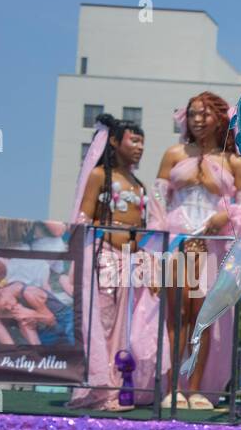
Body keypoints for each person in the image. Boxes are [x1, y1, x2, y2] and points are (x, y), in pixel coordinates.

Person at [154, 92, 241, 409]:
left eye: (205, 114)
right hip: (176, 243)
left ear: (220, 118)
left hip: (213, 246)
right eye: (193, 114)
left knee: (203, 317)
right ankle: (172, 386)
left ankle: (196, 389)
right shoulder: (173, 153)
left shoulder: (236, 162)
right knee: (177, 316)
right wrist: (156, 248)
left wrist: (227, 216)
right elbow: (158, 204)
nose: (198, 119)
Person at [68, 113, 169, 410]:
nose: (140, 147)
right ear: (114, 141)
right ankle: (99, 391)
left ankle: (119, 389)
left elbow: (145, 227)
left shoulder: (139, 184)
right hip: (104, 257)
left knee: (125, 329)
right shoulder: (100, 176)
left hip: (130, 261)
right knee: (102, 323)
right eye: (134, 140)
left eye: (142, 143)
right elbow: (84, 216)